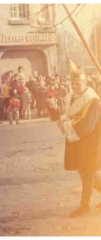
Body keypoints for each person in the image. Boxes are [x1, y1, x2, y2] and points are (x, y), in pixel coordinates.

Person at [48, 63, 101, 217]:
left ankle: (84, 206)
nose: (76, 86)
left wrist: (66, 125)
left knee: (87, 172)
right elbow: (68, 114)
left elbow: (87, 124)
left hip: (90, 141)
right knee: (84, 171)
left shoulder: (92, 100)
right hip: (77, 140)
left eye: (78, 83)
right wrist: (55, 111)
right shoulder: (71, 96)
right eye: (74, 83)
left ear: (85, 83)